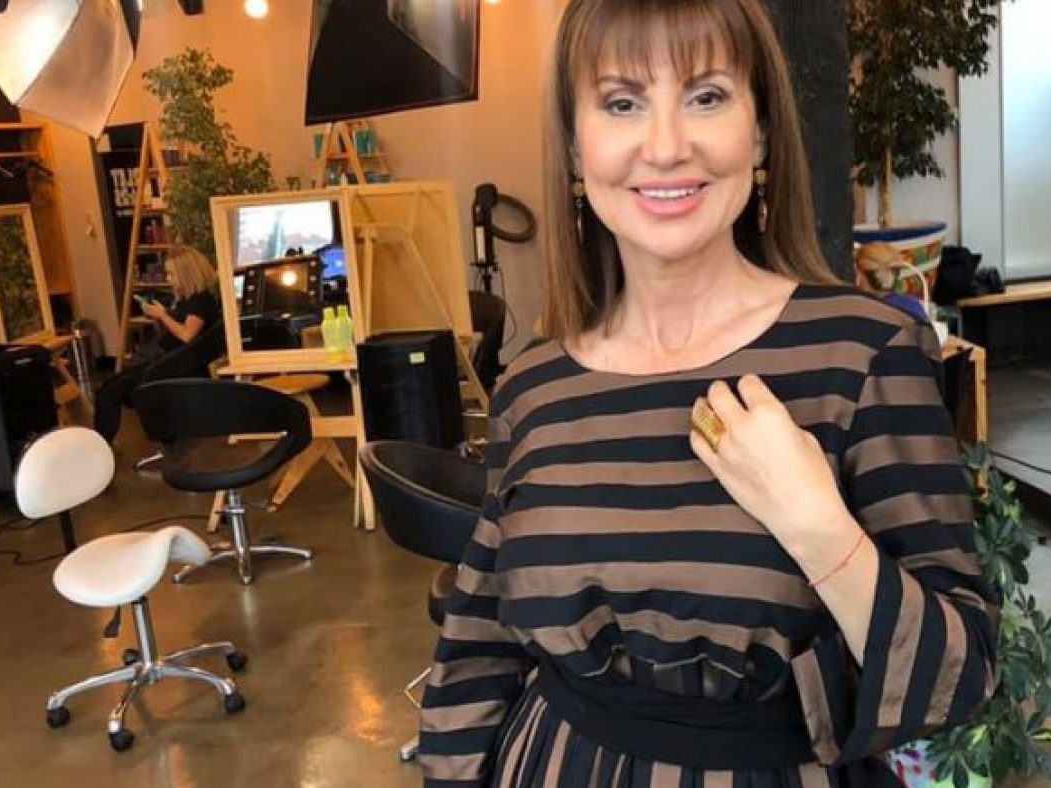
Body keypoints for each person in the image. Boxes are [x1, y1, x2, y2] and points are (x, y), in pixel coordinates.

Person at [418, 1, 999, 785]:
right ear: (576, 147)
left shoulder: (863, 354)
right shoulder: (533, 389)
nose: (665, 147)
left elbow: (958, 676)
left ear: (758, 132)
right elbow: (480, 644)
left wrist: (818, 527)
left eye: (706, 96)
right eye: (622, 103)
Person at [93, 246, 221, 443]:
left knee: (110, 391)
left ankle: (100, 445)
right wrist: (163, 315)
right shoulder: (190, 300)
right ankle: (100, 442)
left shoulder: (200, 301)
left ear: (186, 274)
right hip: (168, 361)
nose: (168, 279)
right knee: (108, 387)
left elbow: (187, 335)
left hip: (172, 366)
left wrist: (162, 316)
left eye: (171, 274)